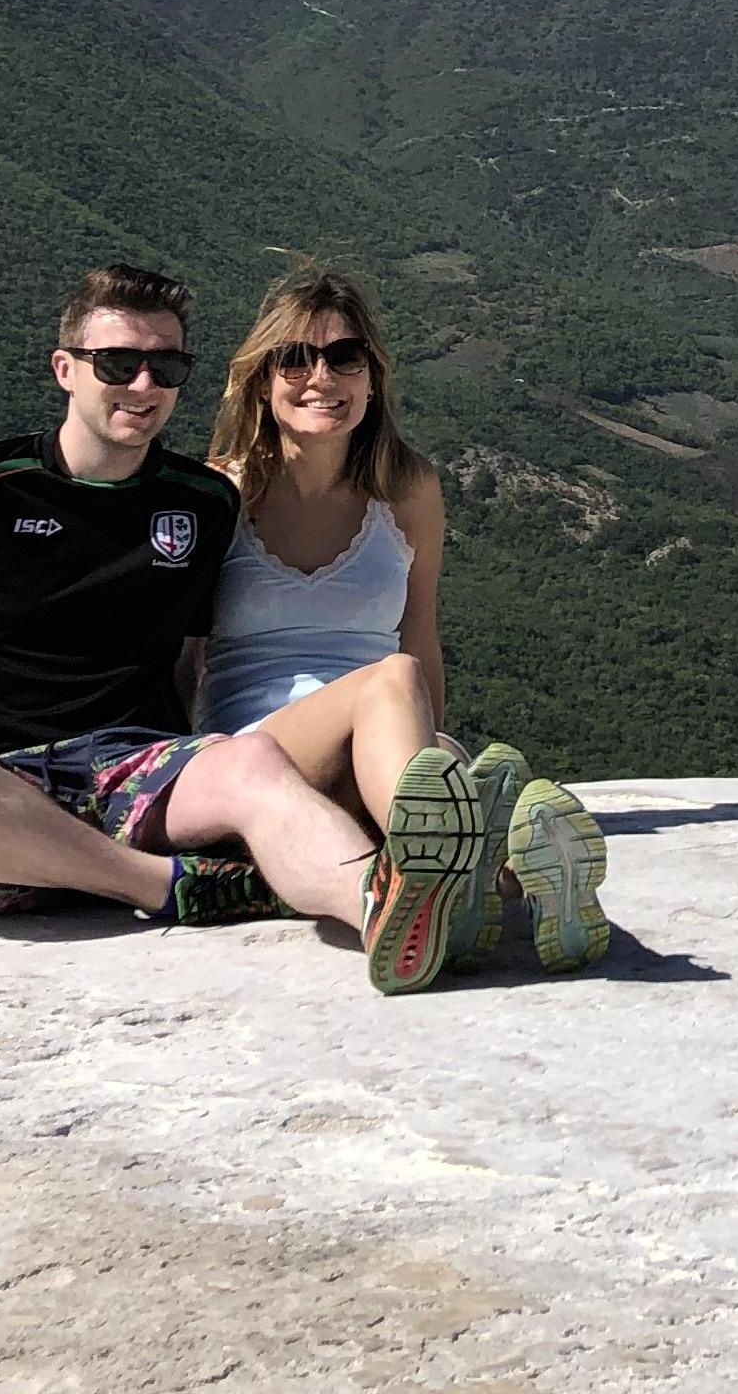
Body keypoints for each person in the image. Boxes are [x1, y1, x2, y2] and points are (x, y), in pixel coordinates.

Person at [0, 261, 496, 994]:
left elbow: (196, 664)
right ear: (65, 369)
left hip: (137, 772)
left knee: (251, 766)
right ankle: (163, 887)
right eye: (118, 364)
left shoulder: (200, 503)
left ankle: (390, 909)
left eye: (166, 367)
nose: (142, 385)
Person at [198, 264, 611, 974]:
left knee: (419, 730)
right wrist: (174, 781)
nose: (320, 377)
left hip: (382, 753)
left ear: (371, 377)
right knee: (391, 683)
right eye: (294, 357)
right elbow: (181, 653)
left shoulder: (408, 489)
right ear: (262, 378)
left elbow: (423, 630)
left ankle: (505, 884)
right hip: (259, 751)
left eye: (343, 357)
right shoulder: (217, 493)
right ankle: (467, 847)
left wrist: (434, 739)